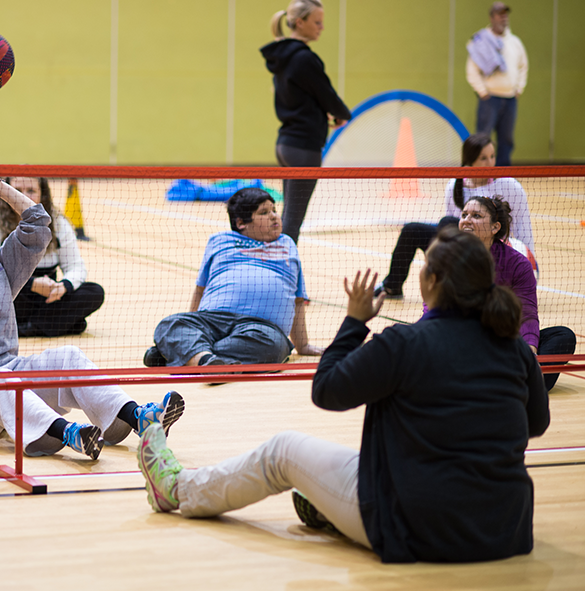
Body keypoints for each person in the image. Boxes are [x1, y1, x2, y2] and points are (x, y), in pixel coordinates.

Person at [138, 228, 549, 563]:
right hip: (506, 529)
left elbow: (327, 390)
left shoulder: (404, 343)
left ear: (431, 282)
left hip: (414, 530)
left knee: (283, 451)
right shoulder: (514, 347)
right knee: (366, 460)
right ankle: (330, 510)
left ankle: (178, 489)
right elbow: (536, 423)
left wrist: (353, 322)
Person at [0, 158, 184, 460]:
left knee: (67, 356)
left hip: (8, 373)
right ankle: (67, 433)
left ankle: (138, 417)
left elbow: (37, 222)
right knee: (0, 379)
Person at [144, 187, 322, 371]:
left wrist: (303, 346)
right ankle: (207, 359)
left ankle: (194, 356)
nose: (274, 216)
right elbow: (200, 289)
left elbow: (298, 300)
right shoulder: (219, 241)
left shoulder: (287, 244)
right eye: (264, 212)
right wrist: (193, 321)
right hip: (213, 320)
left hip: (262, 329)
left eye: (274, 210)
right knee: (170, 325)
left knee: (274, 346)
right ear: (241, 222)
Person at [374, 132, 534, 299]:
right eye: (483, 158)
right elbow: (450, 229)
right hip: (459, 249)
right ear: (469, 161)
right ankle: (392, 286)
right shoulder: (454, 186)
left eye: (492, 156)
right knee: (413, 230)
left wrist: (529, 266)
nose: (490, 163)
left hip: (491, 248)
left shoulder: (509, 186)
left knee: (448, 222)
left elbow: (523, 227)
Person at [456, 195, 575, 390]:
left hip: (503, 343)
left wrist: (530, 351)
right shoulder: (447, 257)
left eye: (476, 215)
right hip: (463, 341)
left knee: (562, 336)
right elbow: (432, 310)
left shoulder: (517, 263)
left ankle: (499, 381)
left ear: (495, 228)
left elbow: (527, 315)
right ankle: (518, 383)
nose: (467, 220)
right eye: (464, 215)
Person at [260, 0, 352, 243]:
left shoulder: (283, 57)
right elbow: (326, 95)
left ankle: (278, 267)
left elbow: (310, 97)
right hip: (303, 148)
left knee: (287, 217)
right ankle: (285, 275)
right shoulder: (305, 59)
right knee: (292, 222)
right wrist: (343, 115)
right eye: (317, 22)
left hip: (286, 145)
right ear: (300, 22)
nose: (321, 28)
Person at [0, 177, 105, 337]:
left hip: (48, 299)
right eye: (17, 191)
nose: (23, 196)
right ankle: (51, 324)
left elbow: (76, 266)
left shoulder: (57, 222)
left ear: (43, 195)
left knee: (93, 292)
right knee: (77, 324)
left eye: (31, 190)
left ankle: (25, 328)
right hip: (11, 297)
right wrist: (32, 284)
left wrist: (64, 286)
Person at [466, 1, 528, 166]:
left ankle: (503, 176)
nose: (503, 18)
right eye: (500, 15)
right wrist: (482, 92)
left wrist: (518, 89)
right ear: (492, 17)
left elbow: (523, 66)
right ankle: (479, 173)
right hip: (489, 99)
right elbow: (471, 70)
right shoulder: (481, 41)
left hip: (510, 99)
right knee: (482, 138)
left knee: (506, 139)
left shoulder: (515, 42)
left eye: (505, 15)